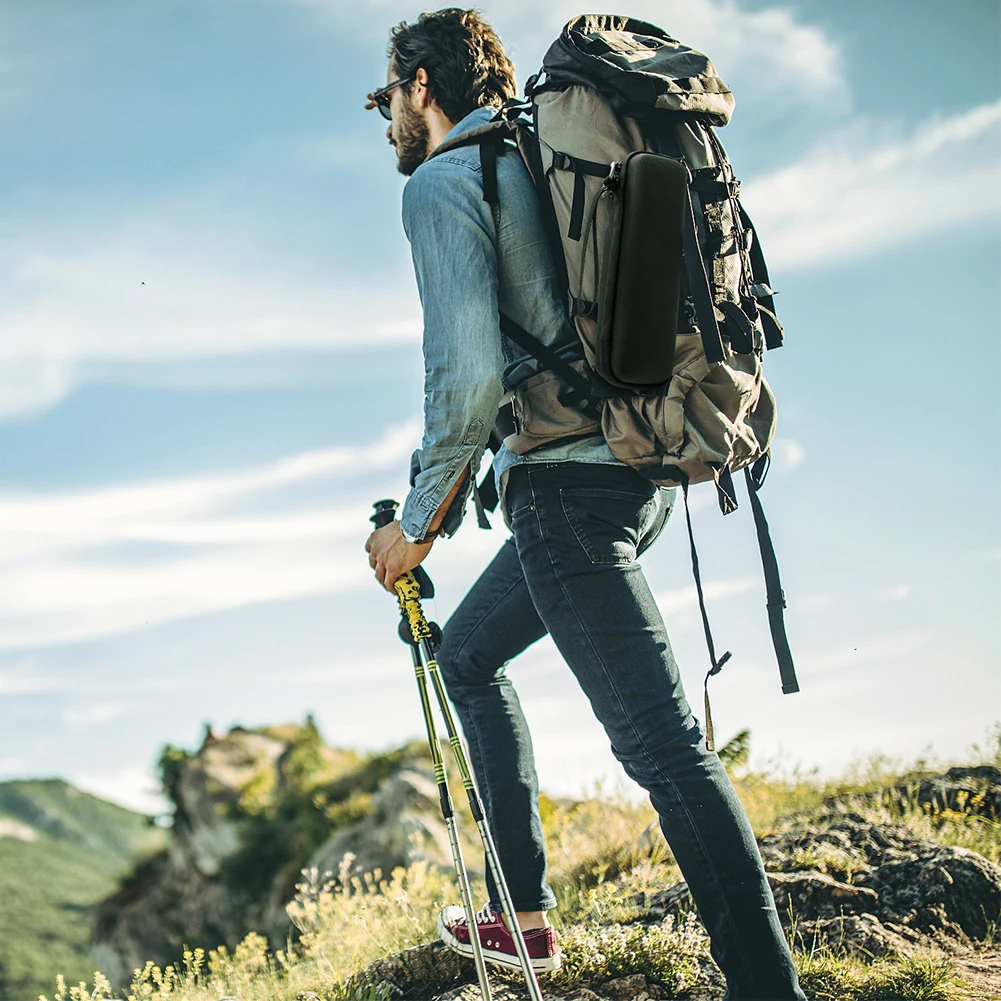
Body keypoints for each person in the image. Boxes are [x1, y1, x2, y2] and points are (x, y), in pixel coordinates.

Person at [363, 9, 806, 999]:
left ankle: (768, 985)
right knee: (466, 654)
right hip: (629, 472)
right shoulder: (537, 153)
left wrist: (416, 524)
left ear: (422, 88)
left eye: (383, 96)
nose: (385, 115)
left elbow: (468, 377)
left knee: (663, 750)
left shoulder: (445, 182)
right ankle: (520, 921)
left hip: (565, 491)